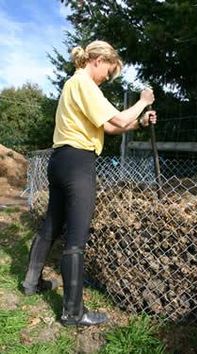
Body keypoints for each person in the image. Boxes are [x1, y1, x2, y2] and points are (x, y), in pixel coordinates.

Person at [22, 40, 157, 326]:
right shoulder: (85, 83)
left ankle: (30, 283)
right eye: (108, 72)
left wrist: (141, 123)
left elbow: (109, 126)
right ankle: (73, 313)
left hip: (60, 161)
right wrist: (143, 101)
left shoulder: (75, 84)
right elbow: (119, 118)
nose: (107, 78)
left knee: (51, 225)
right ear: (97, 60)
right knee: (76, 237)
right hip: (78, 164)